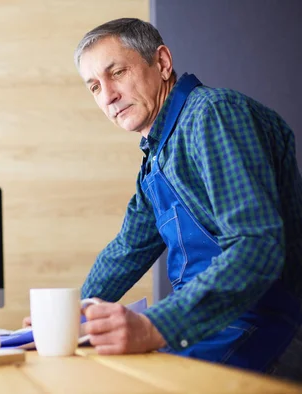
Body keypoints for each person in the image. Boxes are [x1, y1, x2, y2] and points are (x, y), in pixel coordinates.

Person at [24, 18, 302, 380]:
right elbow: (127, 249)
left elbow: (256, 246)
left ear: (163, 63)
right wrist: (71, 317)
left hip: (266, 326)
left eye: (117, 73)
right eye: (94, 86)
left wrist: (154, 326)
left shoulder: (212, 115)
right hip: (207, 327)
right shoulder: (157, 155)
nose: (108, 96)